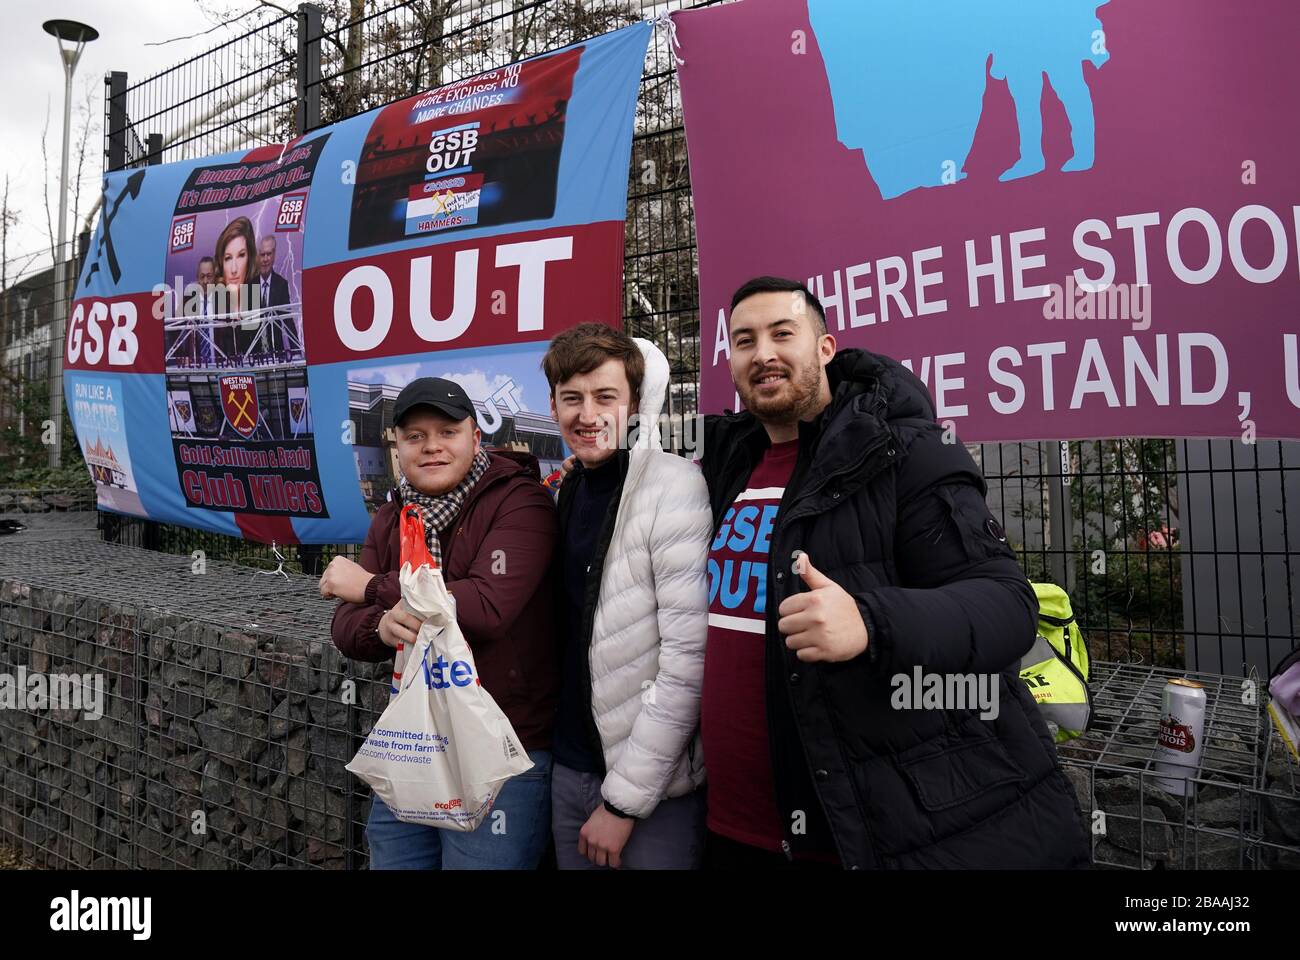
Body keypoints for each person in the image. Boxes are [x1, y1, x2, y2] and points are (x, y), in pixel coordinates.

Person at [699, 276, 1090, 869]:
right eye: (744, 340)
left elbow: (1008, 605)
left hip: (861, 826)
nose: (764, 354)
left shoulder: (902, 451)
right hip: (731, 827)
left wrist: (871, 622)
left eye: (783, 334)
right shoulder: (726, 463)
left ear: (825, 347)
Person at [323, 377, 560, 869]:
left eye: (447, 431)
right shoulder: (392, 516)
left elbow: (488, 605)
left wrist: (372, 588)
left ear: (476, 437)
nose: (431, 446)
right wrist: (380, 628)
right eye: (414, 436)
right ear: (398, 447)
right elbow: (345, 628)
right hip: (411, 745)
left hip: (502, 750)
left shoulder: (521, 501)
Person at [541, 324, 710, 870]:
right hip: (569, 766)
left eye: (605, 397)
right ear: (553, 404)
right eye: (572, 398)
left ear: (636, 402)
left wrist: (624, 802)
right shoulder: (569, 488)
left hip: (652, 790)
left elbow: (687, 662)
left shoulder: (675, 487)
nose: (587, 414)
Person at [214, 216, 257, 360]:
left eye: (241, 255)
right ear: (221, 263)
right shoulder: (215, 305)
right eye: (227, 258)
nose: (233, 269)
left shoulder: (258, 300)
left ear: (250, 258)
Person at [255, 235, 291, 354]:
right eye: (262, 254)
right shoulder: (248, 287)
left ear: (274, 255)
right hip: (254, 357)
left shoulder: (281, 285)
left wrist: (296, 353)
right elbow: (246, 327)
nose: (265, 259)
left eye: (269, 254)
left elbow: (288, 321)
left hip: (277, 354)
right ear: (257, 256)